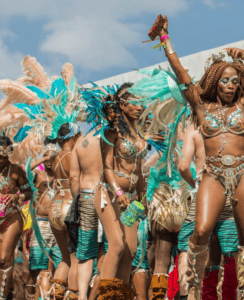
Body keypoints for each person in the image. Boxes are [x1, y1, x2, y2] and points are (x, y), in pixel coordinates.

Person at [128, 15, 244, 299]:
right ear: (214, 82)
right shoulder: (201, 107)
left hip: (243, 172)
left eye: (235, 81)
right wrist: (165, 40)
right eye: (225, 81)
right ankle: (194, 291)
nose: (231, 85)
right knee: (200, 231)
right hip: (213, 174)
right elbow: (181, 73)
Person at [94, 83, 147, 299]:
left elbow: (140, 172)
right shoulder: (111, 131)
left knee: (131, 250)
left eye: (142, 103)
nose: (140, 107)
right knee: (116, 244)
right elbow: (106, 167)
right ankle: (105, 296)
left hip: (132, 199)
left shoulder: (139, 134)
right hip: (108, 194)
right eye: (134, 102)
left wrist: (143, 198)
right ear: (122, 105)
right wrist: (118, 193)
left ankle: (121, 296)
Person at [177, 123, 238, 300]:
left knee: (192, 246)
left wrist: (196, 186)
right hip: (229, 191)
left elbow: (183, 167)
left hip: (204, 192)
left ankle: (192, 296)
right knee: (230, 252)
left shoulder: (194, 128)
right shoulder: (231, 123)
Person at [0, 135, 32, 299]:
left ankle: (1, 298)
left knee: (4, 259)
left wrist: (17, 197)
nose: (1, 160)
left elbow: (28, 192)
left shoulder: (16, 170)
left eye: (5, 157)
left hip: (10, 216)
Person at [47, 122, 81, 299]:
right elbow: (75, 179)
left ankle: (56, 293)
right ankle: (73, 294)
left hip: (54, 207)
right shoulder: (74, 155)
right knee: (76, 258)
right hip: (70, 205)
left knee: (65, 258)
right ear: (74, 137)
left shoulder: (54, 157)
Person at [69, 130, 103, 300]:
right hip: (107, 198)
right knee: (106, 247)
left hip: (87, 197)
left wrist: (78, 200)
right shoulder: (115, 137)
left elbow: (73, 177)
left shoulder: (81, 142)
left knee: (85, 252)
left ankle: (82, 297)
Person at [26, 142, 62, 300]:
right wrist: (43, 159)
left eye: (53, 156)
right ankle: (30, 295)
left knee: (57, 266)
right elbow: (24, 170)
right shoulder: (38, 175)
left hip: (59, 226)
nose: (50, 159)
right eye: (48, 155)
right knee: (36, 267)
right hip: (41, 225)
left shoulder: (62, 175)